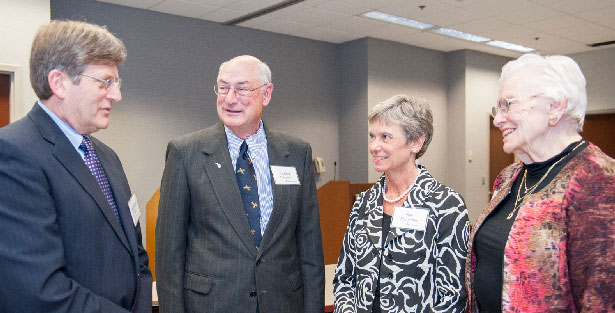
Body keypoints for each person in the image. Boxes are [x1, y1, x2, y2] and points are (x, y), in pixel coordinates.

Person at [0, 20, 152, 312]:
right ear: (59, 83)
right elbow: (38, 289)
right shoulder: (13, 153)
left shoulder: (106, 156)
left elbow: (137, 257)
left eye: (116, 83)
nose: (116, 95)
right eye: (104, 82)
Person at [155, 55, 324, 313]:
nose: (230, 99)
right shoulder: (186, 153)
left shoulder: (296, 153)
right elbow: (169, 252)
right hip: (211, 305)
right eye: (223, 88)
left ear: (266, 94)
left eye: (242, 89)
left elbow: (310, 247)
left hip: (283, 304)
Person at [466, 54, 615, 312]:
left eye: (508, 105)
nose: (498, 119)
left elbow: (603, 298)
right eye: (497, 108)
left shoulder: (599, 180)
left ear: (555, 107)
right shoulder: (509, 176)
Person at [334, 94, 469, 313]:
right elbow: (344, 279)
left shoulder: (446, 205)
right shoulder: (364, 203)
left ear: (416, 142)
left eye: (386, 137)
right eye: (372, 136)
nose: (374, 146)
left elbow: (453, 296)